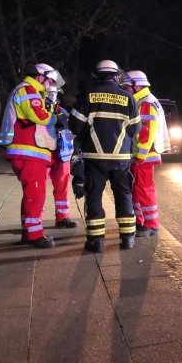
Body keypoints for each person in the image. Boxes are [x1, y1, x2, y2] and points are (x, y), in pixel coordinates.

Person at [69, 60, 141, 253]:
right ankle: (127, 239)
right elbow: (135, 129)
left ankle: (96, 241)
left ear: (97, 75)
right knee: (123, 195)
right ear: (117, 76)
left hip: (94, 158)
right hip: (121, 158)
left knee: (94, 196)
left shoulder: (87, 96)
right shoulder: (128, 98)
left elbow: (75, 126)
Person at [0, 63, 63, 248]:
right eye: (49, 81)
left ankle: (29, 232)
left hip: (31, 152)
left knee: (32, 194)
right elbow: (41, 117)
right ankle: (34, 236)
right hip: (28, 151)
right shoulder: (28, 90)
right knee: (35, 194)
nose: (50, 85)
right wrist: (58, 117)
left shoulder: (31, 91)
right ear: (40, 77)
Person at [120, 70, 171, 237]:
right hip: (140, 156)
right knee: (137, 189)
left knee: (143, 189)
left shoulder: (146, 103)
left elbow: (146, 132)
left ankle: (151, 225)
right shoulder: (143, 101)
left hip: (144, 156)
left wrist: (140, 156)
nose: (126, 90)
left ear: (137, 86)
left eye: (127, 86)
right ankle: (140, 221)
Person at [45, 86, 78, 228]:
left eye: (55, 92)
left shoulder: (60, 109)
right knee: (38, 188)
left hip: (62, 152)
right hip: (44, 152)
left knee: (63, 185)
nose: (53, 95)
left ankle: (63, 217)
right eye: (51, 92)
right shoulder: (38, 108)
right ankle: (34, 220)